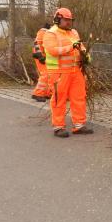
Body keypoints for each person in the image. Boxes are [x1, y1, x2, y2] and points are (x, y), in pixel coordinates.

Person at [43, 8, 93, 138]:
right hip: (59, 72)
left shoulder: (74, 33)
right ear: (58, 19)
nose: (68, 23)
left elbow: (81, 47)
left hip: (75, 70)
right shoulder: (50, 33)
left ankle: (79, 125)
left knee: (79, 97)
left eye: (70, 20)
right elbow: (52, 50)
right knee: (59, 99)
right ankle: (58, 127)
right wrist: (71, 47)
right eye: (66, 20)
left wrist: (86, 56)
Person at [31, 23, 52, 102]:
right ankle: (38, 94)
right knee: (45, 74)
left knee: (47, 74)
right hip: (40, 56)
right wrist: (40, 56)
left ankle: (46, 93)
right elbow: (38, 45)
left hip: (41, 56)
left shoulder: (43, 32)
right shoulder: (44, 33)